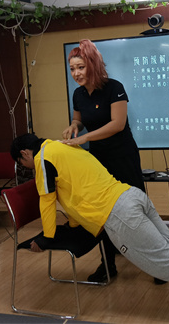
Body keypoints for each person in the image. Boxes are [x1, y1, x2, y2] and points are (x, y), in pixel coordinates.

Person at [10, 134, 169, 324]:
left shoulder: (42, 159)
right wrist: (72, 225)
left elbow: (47, 200)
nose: (28, 167)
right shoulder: (63, 146)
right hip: (130, 196)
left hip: (119, 215)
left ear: (25, 153)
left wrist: (47, 238)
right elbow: (74, 191)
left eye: (23, 164)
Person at [62, 38, 145, 282]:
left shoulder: (114, 87)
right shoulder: (78, 94)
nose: (76, 73)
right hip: (99, 161)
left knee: (137, 209)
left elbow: (117, 124)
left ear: (93, 65)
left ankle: (156, 264)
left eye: (81, 67)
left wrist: (84, 138)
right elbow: (79, 119)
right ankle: (108, 265)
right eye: (72, 69)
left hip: (123, 156)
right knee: (104, 211)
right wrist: (74, 127)